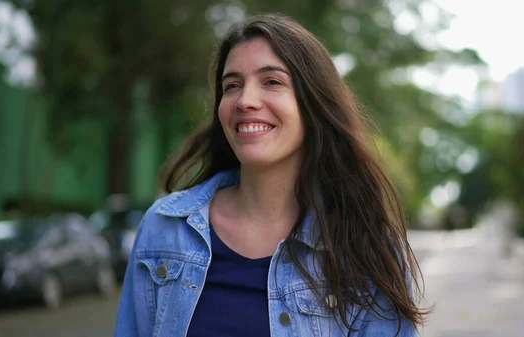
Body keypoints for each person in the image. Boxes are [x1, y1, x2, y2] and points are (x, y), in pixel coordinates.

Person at [114, 13, 431, 337]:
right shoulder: (165, 228)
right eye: (232, 85)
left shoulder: (365, 245)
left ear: (314, 103)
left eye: (272, 82)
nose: (245, 101)